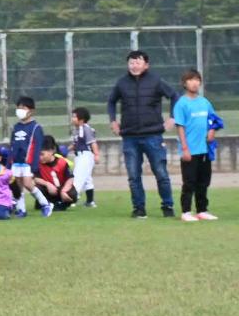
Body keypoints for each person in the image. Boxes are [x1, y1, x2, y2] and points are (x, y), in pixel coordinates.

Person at [107, 50, 177, 219]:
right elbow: (111, 101)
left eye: (138, 62)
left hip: (153, 135)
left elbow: (174, 96)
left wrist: (173, 117)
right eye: (131, 62)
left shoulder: (156, 81)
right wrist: (113, 121)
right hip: (129, 136)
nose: (134, 65)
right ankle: (139, 208)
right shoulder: (121, 83)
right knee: (133, 176)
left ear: (146, 65)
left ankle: (167, 206)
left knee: (161, 173)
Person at [173, 69, 217, 222]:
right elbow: (180, 127)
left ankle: (202, 210)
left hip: (204, 149)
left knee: (203, 182)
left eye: (197, 80)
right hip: (190, 150)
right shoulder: (181, 104)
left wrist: (211, 131)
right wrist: (185, 148)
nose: (195, 83)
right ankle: (186, 212)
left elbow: (213, 120)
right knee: (189, 182)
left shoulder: (205, 102)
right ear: (184, 83)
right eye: (191, 80)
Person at [5, 96, 51, 216]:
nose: (20, 110)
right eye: (18, 108)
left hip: (28, 162)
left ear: (31, 111)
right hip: (16, 162)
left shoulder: (36, 128)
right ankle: (21, 209)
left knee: (28, 184)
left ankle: (45, 204)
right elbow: (12, 146)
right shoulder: (16, 127)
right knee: (17, 186)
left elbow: (37, 147)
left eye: (23, 108)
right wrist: (9, 163)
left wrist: (34, 165)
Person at [33, 138, 78, 212]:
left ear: (51, 151)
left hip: (60, 190)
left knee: (72, 194)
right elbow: (35, 178)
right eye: (38, 155)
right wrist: (47, 184)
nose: (40, 157)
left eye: (42, 154)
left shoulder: (62, 162)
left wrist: (64, 191)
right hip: (48, 191)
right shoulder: (38, 164)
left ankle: (61, 204)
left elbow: (70, 178)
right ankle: (44, 202)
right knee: (36, 188)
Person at [67, 107, 99, 208]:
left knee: (77, 177)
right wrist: (66, 150)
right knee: (87, 179)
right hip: (79, 156)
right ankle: (90, 201)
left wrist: (96, 155)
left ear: (81, 119)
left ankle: (72, 199)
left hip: (85, 155)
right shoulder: (76, 130)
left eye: (74, 117)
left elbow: (93, 143)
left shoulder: (86, 129)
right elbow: (75, 144)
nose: (72, 119)